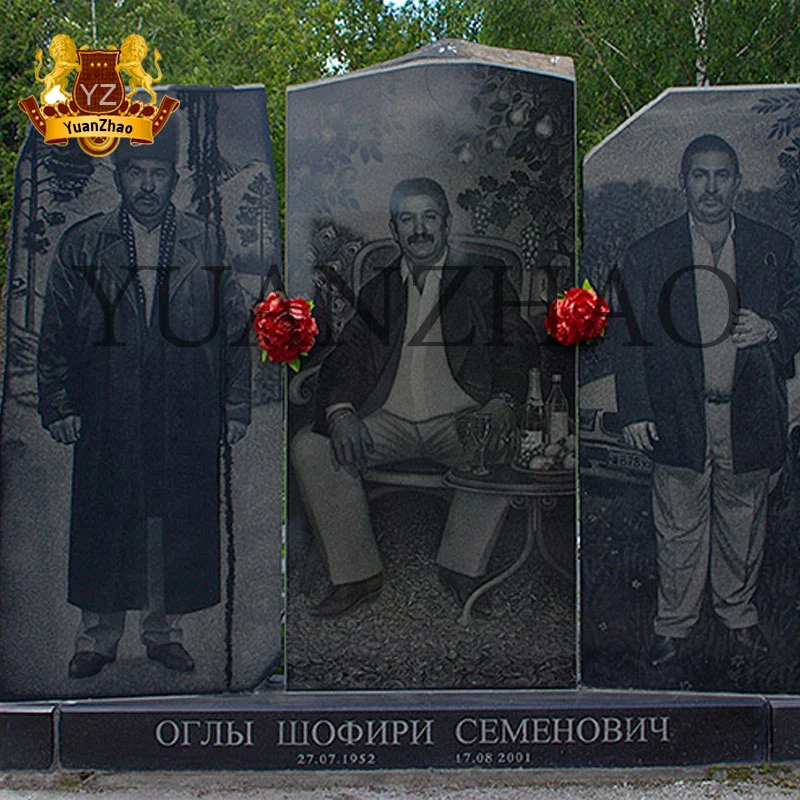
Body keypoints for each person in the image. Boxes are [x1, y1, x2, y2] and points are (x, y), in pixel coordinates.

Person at [37, 131, 251, 679]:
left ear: (173, 181)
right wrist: (58, 403)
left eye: (159, 174)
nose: (148, 186)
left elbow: (232, 328)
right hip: (108, 400)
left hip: (184, 402)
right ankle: (97, 637)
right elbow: (57, 329)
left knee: (168, 518)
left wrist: (235, 405)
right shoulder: (84, 244)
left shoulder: (205, 242)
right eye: (137, 174)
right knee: (108, 515)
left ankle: (163, 633)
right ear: (119, 179)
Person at [292, 177, 537, 618]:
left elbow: (516, 343)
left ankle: (462, 569)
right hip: (389, 421)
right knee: (311, 446)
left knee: (500, 442)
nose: (419, 230)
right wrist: (341, 410)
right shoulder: (378, 291)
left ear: (446, 225)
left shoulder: (482, 282)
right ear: (393, 228)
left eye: (429, 218)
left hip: (461, 419)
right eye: (408, 219)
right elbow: (345, 357)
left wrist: (502, 400)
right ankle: (357, 575)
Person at [616, 134, 800, 667]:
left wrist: (772, 328)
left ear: (737, 182)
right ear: (684, 182)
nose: (711, 187)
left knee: (743, 521)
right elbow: (628, 333)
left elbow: (797, 313)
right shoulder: (650, 253)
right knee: (677, 523)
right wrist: (636, 409)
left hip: (747, 409)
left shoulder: (774, 247)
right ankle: (673, 626)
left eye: (722, 175)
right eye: (700, 175)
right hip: (678, 411)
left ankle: (738, 616)